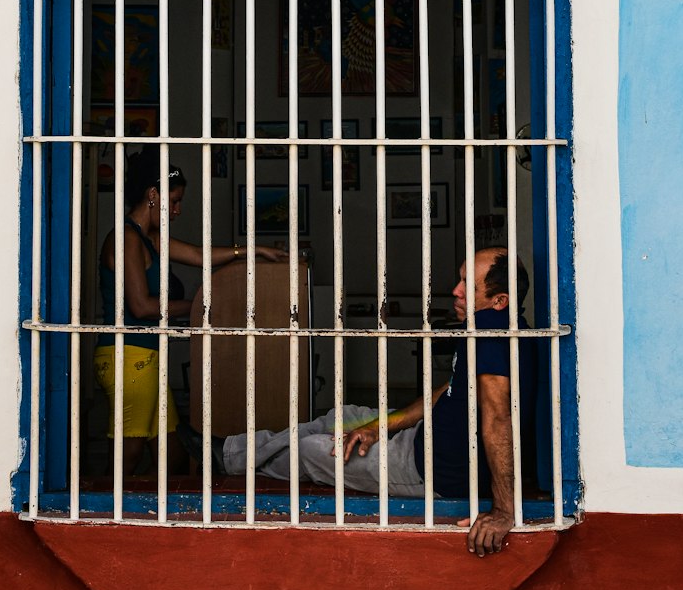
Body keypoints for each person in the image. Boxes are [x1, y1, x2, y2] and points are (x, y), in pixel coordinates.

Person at [178, 247, 535, 556]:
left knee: (312, 449)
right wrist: (379, 427)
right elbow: (446, 393)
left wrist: (504, 510)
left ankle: (230, 461)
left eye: (466, 286)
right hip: (419, 440)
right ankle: (227, 452)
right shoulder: (495, 328)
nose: (454, 291)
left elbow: (498, 420)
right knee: (343, 417)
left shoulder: (492, 337)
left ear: (498, 301)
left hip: (424, 472)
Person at [93, 145, 289, 476]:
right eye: (174, 200)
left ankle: (160, 519)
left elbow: (199, 255)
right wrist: (203, 306)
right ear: (153, 194)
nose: (178, 210)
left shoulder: (147, 238)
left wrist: (251, 250)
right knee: (129, 452)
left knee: (172, 452)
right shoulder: (126, 238)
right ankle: (102, 518)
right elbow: (141, 307)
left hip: (148, 357)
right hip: (127, 355)